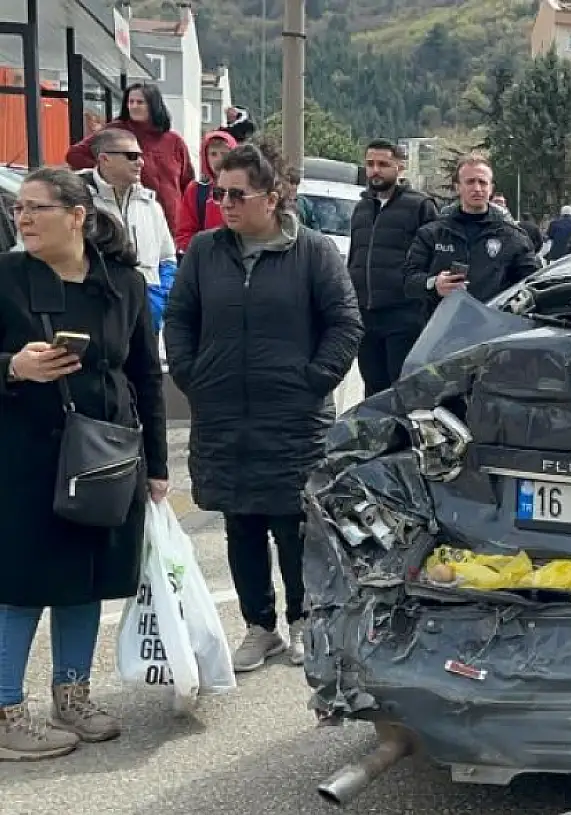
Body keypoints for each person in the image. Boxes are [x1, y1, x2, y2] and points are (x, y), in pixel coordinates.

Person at [163, 140, 363, 672]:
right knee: (241, 522)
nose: (224, 203)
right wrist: (191, 375)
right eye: (218, 193)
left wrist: (314, 381)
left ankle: (303, 620)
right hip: (223, 411)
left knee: (295, 522)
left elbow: (345, 323)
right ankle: (260, 626)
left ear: (271, 198)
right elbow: (179, 319)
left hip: (293, 415)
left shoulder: (313, 251)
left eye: (236, 194)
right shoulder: (205, 252)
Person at [0, 168, 169, 760]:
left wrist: (157, 465)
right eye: (18, 209)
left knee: (86, 579)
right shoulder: (6, 278)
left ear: (76, 215)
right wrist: (11, 367)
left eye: (35, 208)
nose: (21, 218)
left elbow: (145, 373)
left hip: (106, 452)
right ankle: (5, 711)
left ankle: (72, 696)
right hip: (23, 457)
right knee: (20, 584)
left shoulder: (120, 283)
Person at [346, 139, 438, 395]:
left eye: (383, 164)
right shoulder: (361, 208)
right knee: (373, 391)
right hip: (366, 317)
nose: (375, 170)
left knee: (403, 392)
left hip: (404, 316)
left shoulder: (420, 206)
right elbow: (355, 257)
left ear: (400, 167)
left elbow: (434, 260)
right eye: (370, 164)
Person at [405, 156, 543, 315]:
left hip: (492, 330)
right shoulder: (432, 233)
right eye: (470, 182)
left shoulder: (512, 237)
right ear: (457, 187)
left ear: (491, 188)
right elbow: (409, 280)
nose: (477, 188)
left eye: (482, 182)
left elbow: (532, 282)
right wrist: (434, 284)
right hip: (441, 330)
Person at [70, 127, 176, 328]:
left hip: (146, 316)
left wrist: (158, 300)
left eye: (140, 156)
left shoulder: (150, 204)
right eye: (131, 156)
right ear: (104, 159)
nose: (140, 162)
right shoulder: (78, 201)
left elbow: (167, 258)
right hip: (97, 314)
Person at [66, 83, 195, 234]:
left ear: (154, 105)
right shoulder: (115, 131)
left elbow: (188, 183)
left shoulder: (174, 141)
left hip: (172, 223)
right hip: (129, 217)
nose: (133, 106)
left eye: (140, 102)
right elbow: (74, 155)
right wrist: (110, 168)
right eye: (130, 102)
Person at [174, 129, 237, 254]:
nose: (219, 159)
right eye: (213, 154)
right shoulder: (197, 190)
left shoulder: (247, 188)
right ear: (205, 157)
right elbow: (184, 234)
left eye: (225, 154)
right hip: (208, 261)